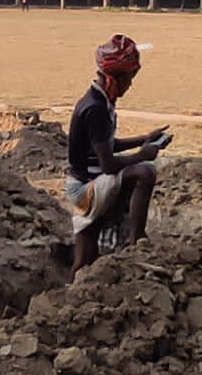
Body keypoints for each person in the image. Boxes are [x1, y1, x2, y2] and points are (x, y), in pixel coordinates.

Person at [65, 34, 172, 275]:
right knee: (144, 173)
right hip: (85, 188)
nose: (130, 85)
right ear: (116, 77)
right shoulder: (96, 109)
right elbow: (110, 164)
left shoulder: (97, 102)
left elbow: (107, 146)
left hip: (85, 182)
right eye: (130, 78)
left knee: (86, 255)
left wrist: (143, 139)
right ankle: (137, 241)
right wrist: (143, 154)